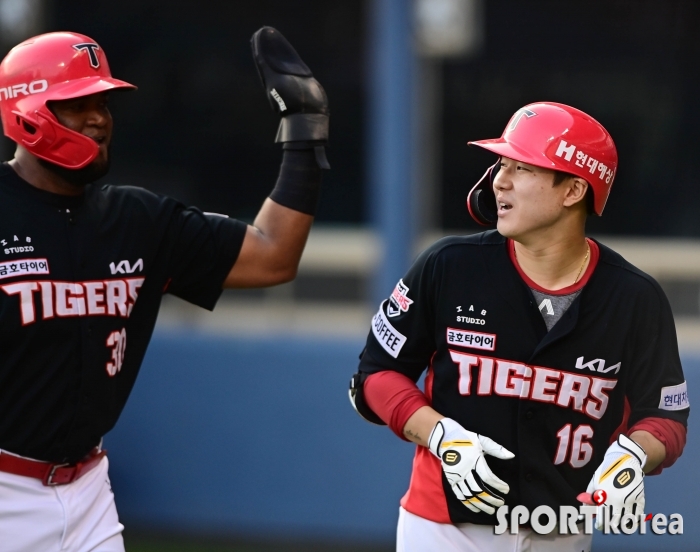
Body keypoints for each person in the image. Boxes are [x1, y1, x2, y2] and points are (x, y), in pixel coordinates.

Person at [0, 28, 329, 552]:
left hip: (87, 490)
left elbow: (273, 255)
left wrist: (305, 129)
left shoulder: (137, 219)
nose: (99, 119)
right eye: (76, 103)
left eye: (103, 102)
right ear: (25, 111)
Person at [349, 102, 688, 552]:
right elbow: (374, 377)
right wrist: (441, 435)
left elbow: (665, 414)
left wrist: (635, 455)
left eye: (522, 167)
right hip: (443, 528)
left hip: (561, 530)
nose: (499, 181)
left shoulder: (634, 298)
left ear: (572, 191)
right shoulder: (449, 267)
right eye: (501, 164)